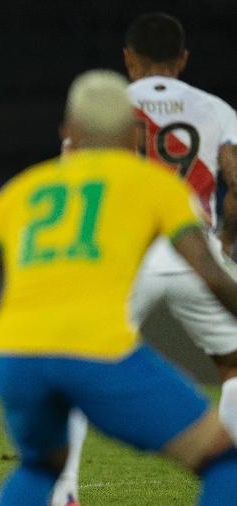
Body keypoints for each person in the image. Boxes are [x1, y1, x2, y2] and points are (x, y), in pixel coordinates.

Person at [0, 69, 237, 505]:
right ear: (134, 132)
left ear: (68, 131)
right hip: (95, 352)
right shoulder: (157, 185)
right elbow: (211, 274)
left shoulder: (21, 190)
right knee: (221, 463)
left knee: (40, 467)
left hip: (13, 357)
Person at [52, 13, 237, 506]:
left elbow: (73, 176)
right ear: (183, 60)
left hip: (125, 256)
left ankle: (64, 489)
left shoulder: (110, 110)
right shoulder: (217, 109)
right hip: (195, 252)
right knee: (234, 366)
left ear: (128, 58)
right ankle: (228, 485)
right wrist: (227, 243)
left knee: (81, 364)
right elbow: (236, 183)